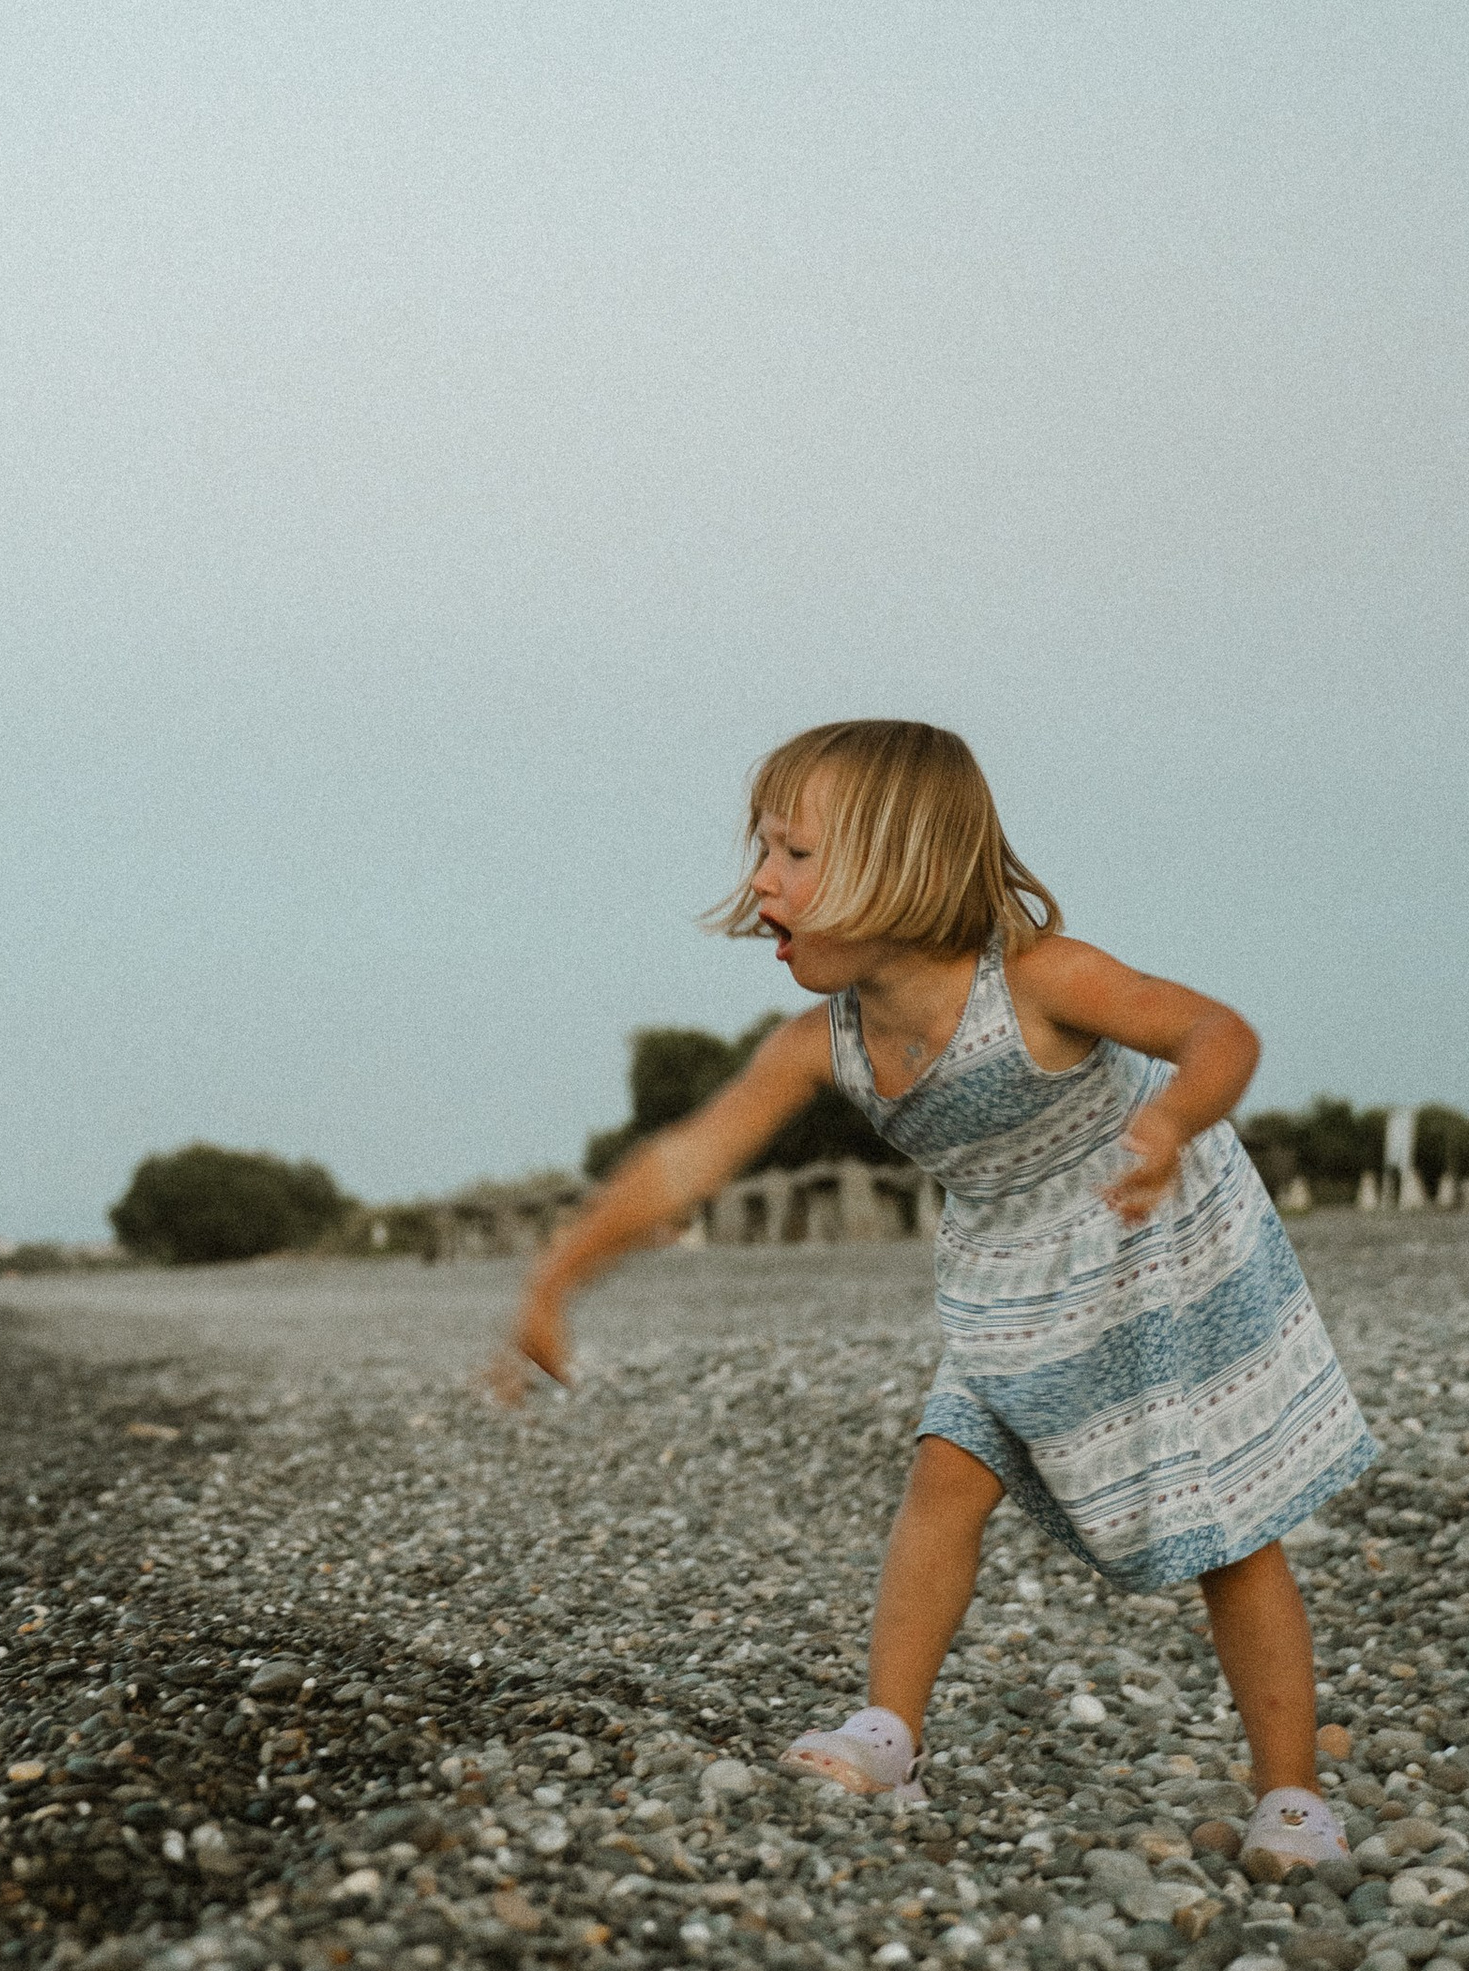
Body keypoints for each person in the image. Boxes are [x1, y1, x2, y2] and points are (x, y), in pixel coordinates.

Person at [499, 719, 1374, 1866]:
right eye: (762, 851)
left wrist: (1169, 1123)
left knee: (1226, 1523)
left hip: (1148, 1244)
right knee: (944, 1472)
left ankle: (1294, 1796)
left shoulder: (1041, 980)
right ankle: (887, 1729)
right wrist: (558, 1275)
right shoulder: (821, 1041)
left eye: (793, 853)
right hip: (1005, 1274)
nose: (760, 879)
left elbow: (1217, 1031)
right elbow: (683, 1162)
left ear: (899, 864)